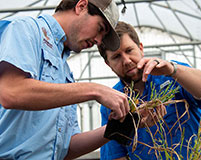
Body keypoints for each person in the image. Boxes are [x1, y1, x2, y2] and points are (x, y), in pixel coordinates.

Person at [0, 0, 131, 159]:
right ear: (81, 6)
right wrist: (94, 90)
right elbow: (11, 92)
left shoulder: (66, 74)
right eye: (100, 28)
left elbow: (66, 148)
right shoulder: (26, 30)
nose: (98, 41)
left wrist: (115, 128)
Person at [98, 21, 201, 160]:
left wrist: (172, 70)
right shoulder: (112, 102)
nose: (126, 61)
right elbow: (115, 155)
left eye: (129, 50)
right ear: (108, 64)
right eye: (116, 56)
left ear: (141, 48)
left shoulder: (173, 75)